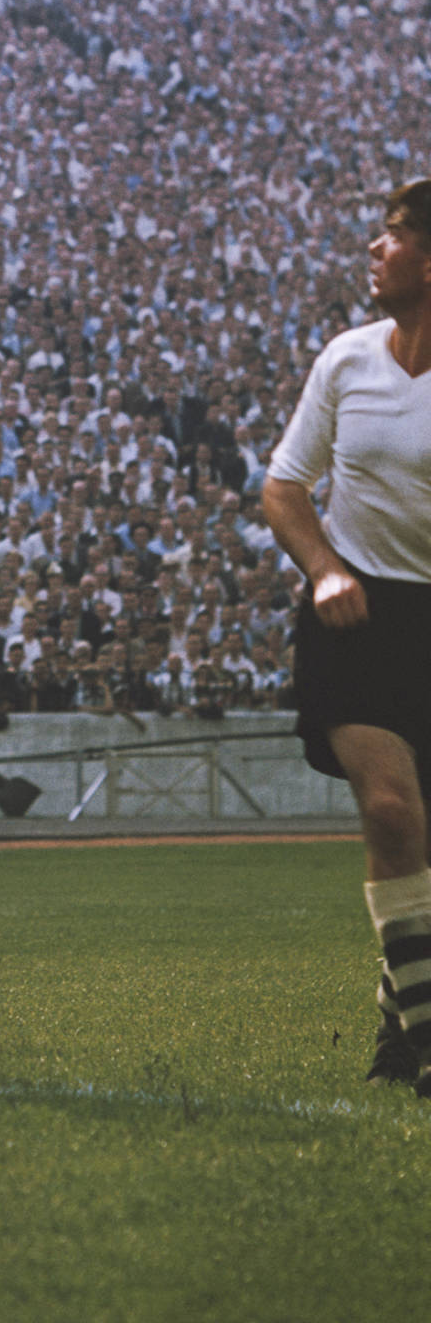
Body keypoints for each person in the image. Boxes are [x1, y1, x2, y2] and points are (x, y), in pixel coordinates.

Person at [263, 179, 431, 1096]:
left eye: (393, 235)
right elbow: (285, 487)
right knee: (393, 814)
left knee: (421, 851)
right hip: (358, 614)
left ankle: (396, 1040)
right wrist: (325, 566)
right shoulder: (348, 358)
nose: (373, 246)